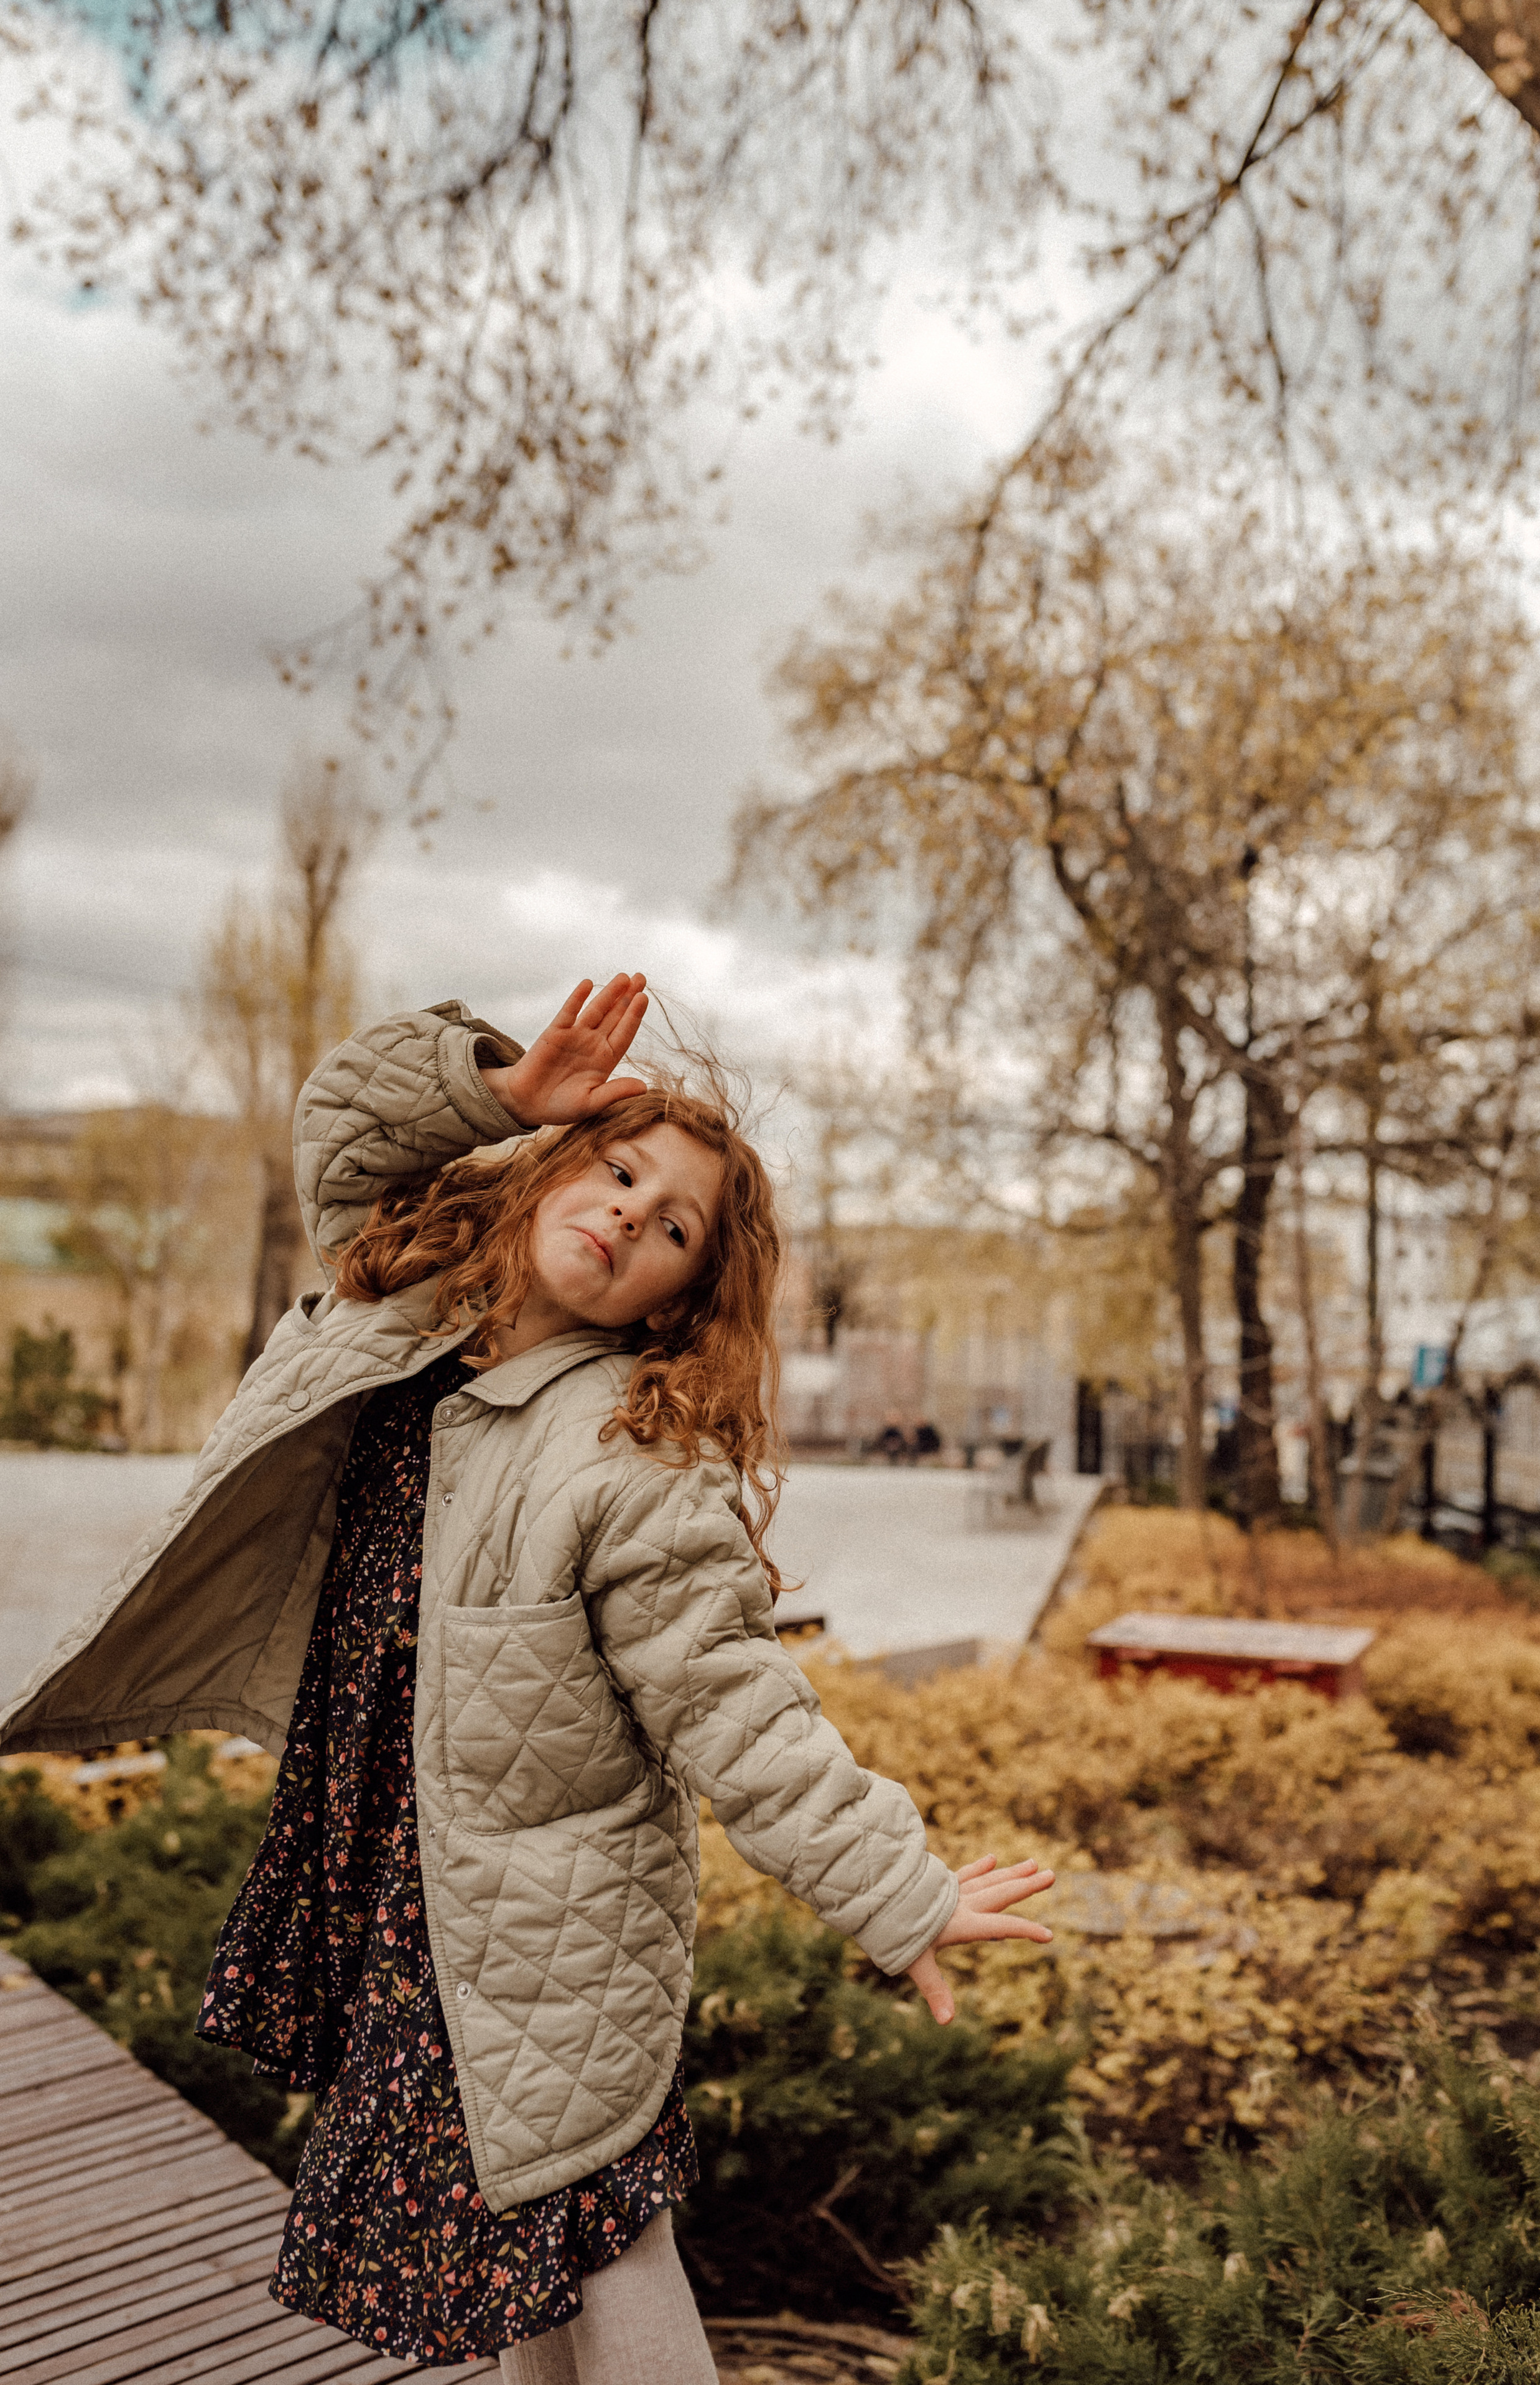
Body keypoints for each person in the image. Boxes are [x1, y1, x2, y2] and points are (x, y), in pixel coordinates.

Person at [0, 978, 1054, 2382]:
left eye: (671, 1224)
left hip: (544, 1917)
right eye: (619, 1171)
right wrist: (497, 1098)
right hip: (402, 1875)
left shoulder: (629, 1456)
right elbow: (339, 1127)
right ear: (559, 1166)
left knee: (596, 2236)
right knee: (513, 2245)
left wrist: (897, 1892)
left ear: (680, 1296)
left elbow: (733, 1701)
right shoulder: (406, 1300)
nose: (628, 1212)